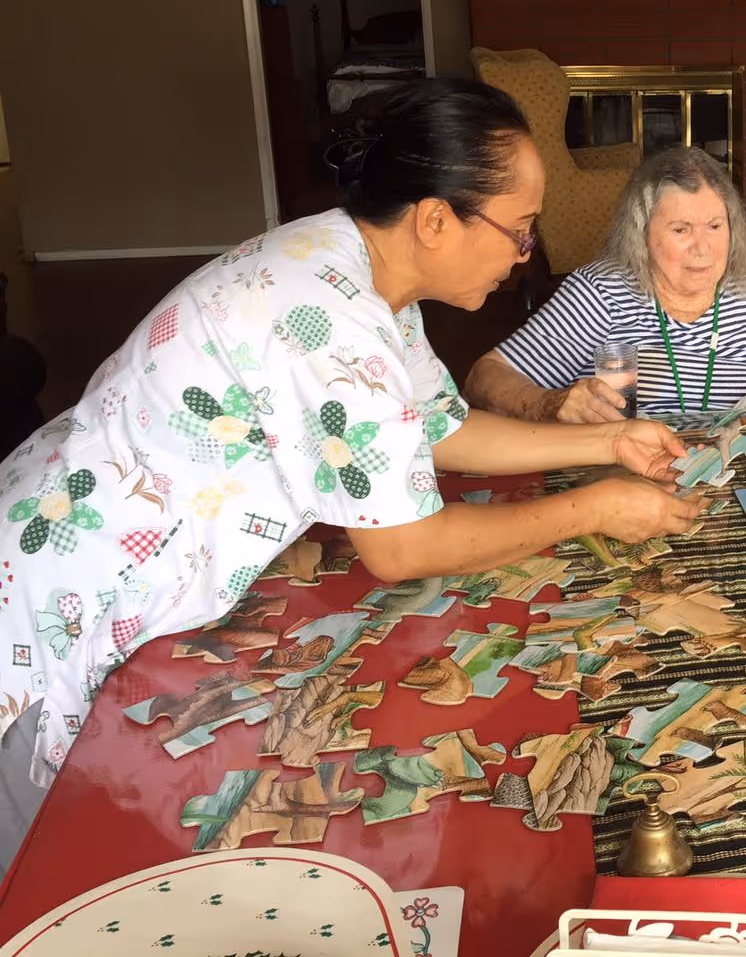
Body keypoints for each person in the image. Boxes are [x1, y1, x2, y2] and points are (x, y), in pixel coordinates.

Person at [0, 79, 701, 871]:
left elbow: (443, 428)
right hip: (50, 612)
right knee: (44, 870)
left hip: (68, 534)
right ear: (435, 219)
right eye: (521, 229)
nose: (523, 254)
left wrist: (606, 444)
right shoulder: (329, 321)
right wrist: (594, 509)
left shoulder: (359, 274)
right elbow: (402, 548)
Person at [466, 147, 746, 421]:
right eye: (681, 229)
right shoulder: (601, 293)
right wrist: (550, 402)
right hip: (637, 493)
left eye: (716, 226)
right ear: (640, 235)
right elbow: (483, 378)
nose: (704, 249)